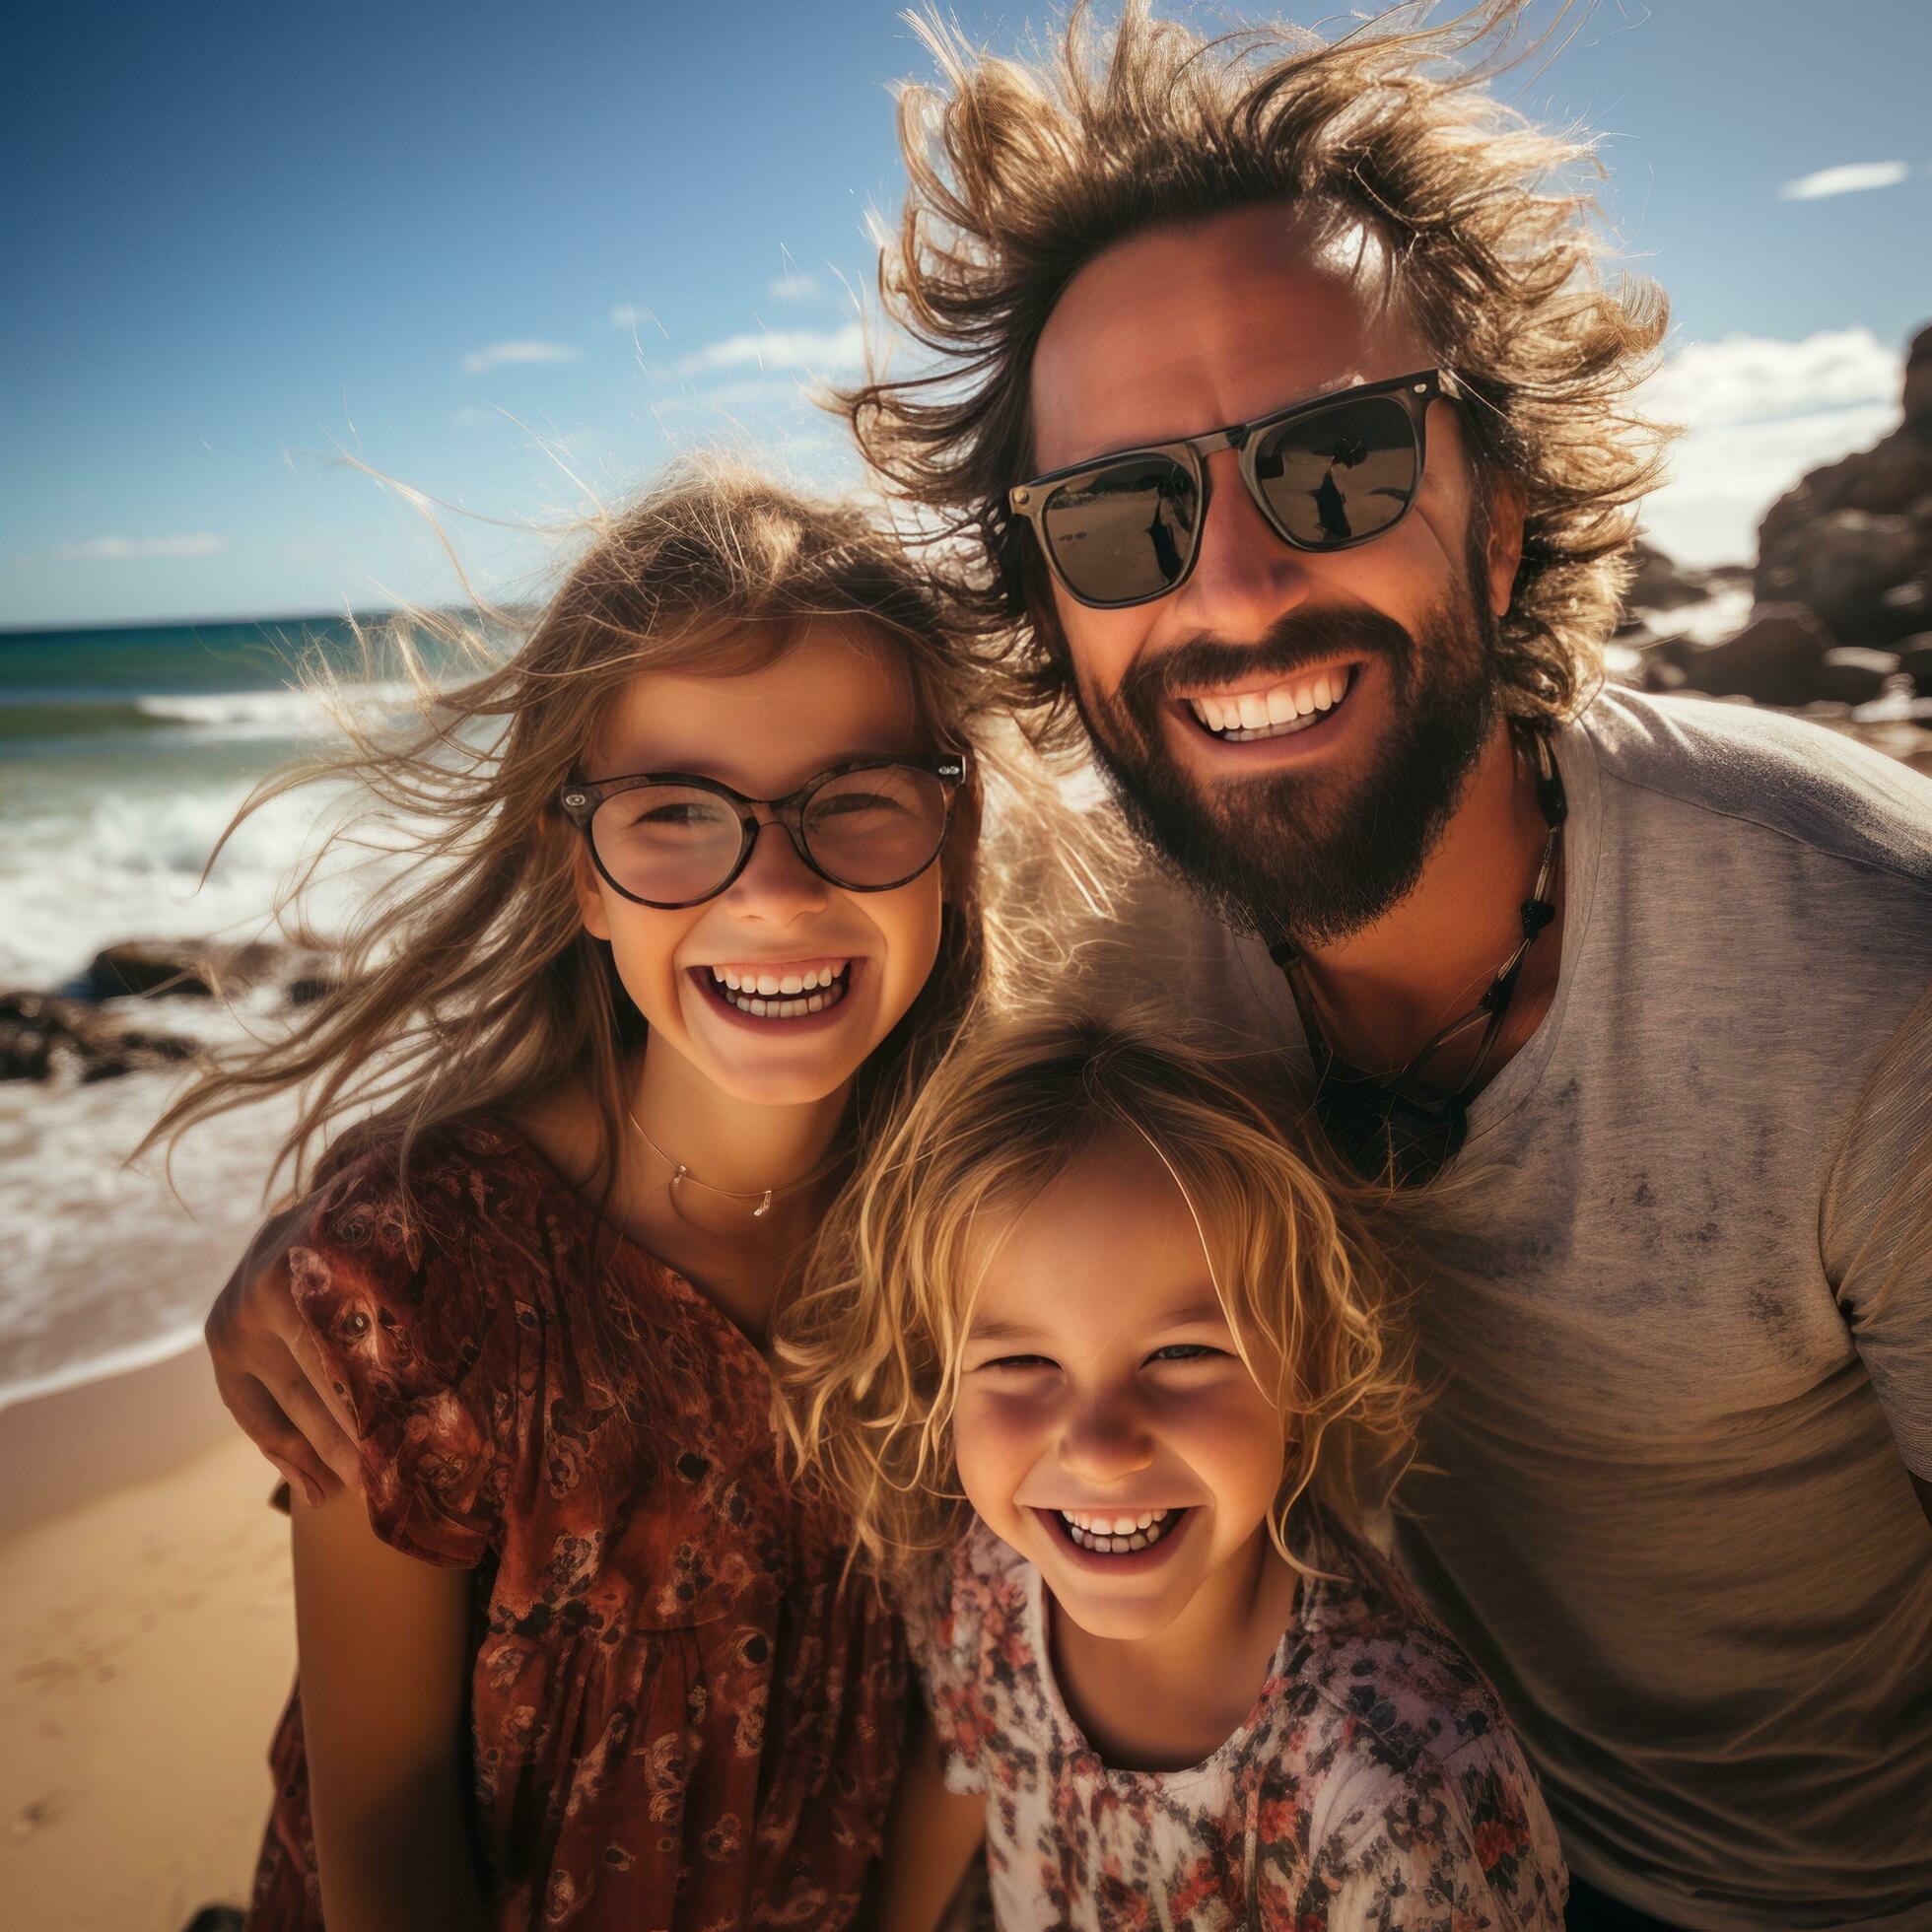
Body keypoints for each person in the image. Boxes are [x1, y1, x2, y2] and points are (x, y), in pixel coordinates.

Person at [834, 4, 1932, 1927]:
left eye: (1334, 462)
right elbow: (738, 1084)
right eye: (1117, 515)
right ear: (1049, 605)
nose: (1234, 583)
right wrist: (393, 1249)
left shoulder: (1865, 974)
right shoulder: (1082, 967)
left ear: (1498, 518)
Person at [152, 465, 1069, 1928]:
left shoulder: (1004, 1233)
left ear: (953, 847)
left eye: (858, 802)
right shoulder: (415, 1285)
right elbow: (381, 1827)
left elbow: (980, 1703)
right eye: (676, 816)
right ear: (577, 873)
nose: (774, 889)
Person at [780, 1010, 1567, 1930]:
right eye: (1020, 1364)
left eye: (1182, 1354)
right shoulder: (984, 1585)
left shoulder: (1398, 1786)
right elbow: (960, 1768)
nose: (1103, 1448)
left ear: (1309, 1360)